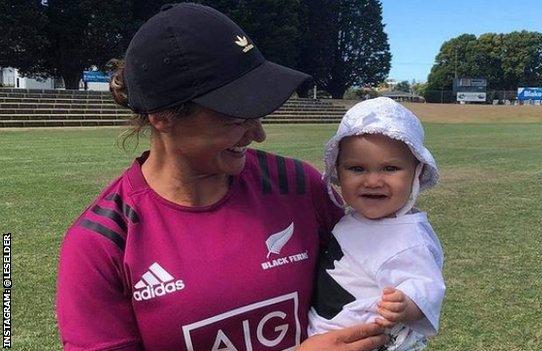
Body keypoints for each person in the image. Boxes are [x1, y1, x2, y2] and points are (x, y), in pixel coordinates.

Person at [56, 3, 388, 350]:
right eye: (235, 118)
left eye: (257, 114)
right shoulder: (102, 245)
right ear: (163, 116)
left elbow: (374, 274)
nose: (258, 134)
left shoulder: (299, 185)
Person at [308, 97, 446, 350]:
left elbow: (427, 285)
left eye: (390, 168)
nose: (373, 181)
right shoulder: (352, 218)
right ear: (338, 171)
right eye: (357, 168)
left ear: (416, 173)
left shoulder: (408, 237)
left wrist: (406, 304)